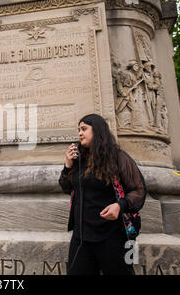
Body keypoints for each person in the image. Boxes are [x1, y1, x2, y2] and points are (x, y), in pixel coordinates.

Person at [59, 114, 146, 275]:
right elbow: (66, 188)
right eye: (79, 129)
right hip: (81, 237)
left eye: (84, 129)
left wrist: (119, 206)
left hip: (114, 236)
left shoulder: (118, 157)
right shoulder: (80, 160)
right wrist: (67, 166)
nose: (80, 133)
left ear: (97, 131)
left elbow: (139, 190)